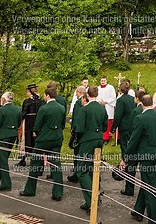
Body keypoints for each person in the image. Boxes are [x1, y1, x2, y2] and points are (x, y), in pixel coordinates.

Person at [122, 94, 156, 223]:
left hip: (147, 156)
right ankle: (138, 210)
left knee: (149, 189)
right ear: (152, 103)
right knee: (148, 182)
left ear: (142, 104)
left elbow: (134, 140)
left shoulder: (140, 118)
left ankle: (155, 220)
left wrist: (126, 157)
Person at [20, 87, 66, 201]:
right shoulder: (61, 108)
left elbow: (37, 125)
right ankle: (58, 193)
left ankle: (30, 190)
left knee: (35, 164)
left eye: (45, 96)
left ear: (48, 95)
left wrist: (36, 132)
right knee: (56, 165)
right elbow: (63, 124)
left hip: (44, 140)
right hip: (56, 139)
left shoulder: (44, 108)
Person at [76, 85, 108, 213]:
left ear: (87, 95)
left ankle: (93, 200)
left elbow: (79, 128)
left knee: (81, 171)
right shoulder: (102, 108)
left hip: (87, 140)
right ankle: (90, 199)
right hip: (99, 139)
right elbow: (105, 125)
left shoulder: (85, 109)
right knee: (92, 169)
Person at [121, 89, 146, 197]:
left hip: (136, 143)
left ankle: (129, 188)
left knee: (131, 166)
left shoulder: (136, 111)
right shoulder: (145, 109)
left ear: (137, 98)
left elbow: (131, 128)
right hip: (144, 143)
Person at [0, 92, 21, 191]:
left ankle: (6, 184)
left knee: (2, 161)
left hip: (2, 137)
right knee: (2, 159)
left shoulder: (0, 110)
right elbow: (19, 122)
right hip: (12, 136)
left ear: (3, 99)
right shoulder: (17, 109)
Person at [17, 83, 42, 167]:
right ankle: (36, 161)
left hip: (28, 123)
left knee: (25, 140)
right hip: (37, 122)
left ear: (29, 92)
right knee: (35, 141)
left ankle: (23, 159)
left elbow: (24, 113)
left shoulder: (27, 101)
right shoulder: (40, 101)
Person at [111, 80, 135, 159]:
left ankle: (125, 163)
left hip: (124, 126)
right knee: (131, 146)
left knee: (124, 146)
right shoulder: (133, 99)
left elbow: (118, 116)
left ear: (120, 89)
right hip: (133, 125)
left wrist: (113, 129)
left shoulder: (120, 100)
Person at [67, 85, 86, 183]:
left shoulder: (79, 102)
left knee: (77, 153)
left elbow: (77, 117)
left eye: (77, 93)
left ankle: (76, 174)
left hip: (78, 131)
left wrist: (73, 130)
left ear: (80, 93)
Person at [97, 75, 116, 143]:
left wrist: (106, 101)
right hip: (100, 105)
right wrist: (99, 101)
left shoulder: (110, 87)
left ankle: (107, 137)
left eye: (104, 81)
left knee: (108, 122)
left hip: (108, 106)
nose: (103, 82)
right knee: (101, 121)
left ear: (106, 81)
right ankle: (101, 136)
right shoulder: (98, 88)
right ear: (100, 81)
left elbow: (113, 97)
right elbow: (96, 96)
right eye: (102, 81)